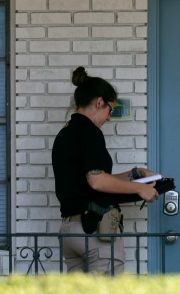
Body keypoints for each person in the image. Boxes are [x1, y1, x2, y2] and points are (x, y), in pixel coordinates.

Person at [52, 67, 160, 274]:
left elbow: (92, 178)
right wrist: (139, 189)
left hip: (70, 231)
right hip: (94, 233)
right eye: (110, 110)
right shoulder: (90, 132)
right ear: (99, 102)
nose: (109, 117)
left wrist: (136, 174)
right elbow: (97, 181)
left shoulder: (65, 134)